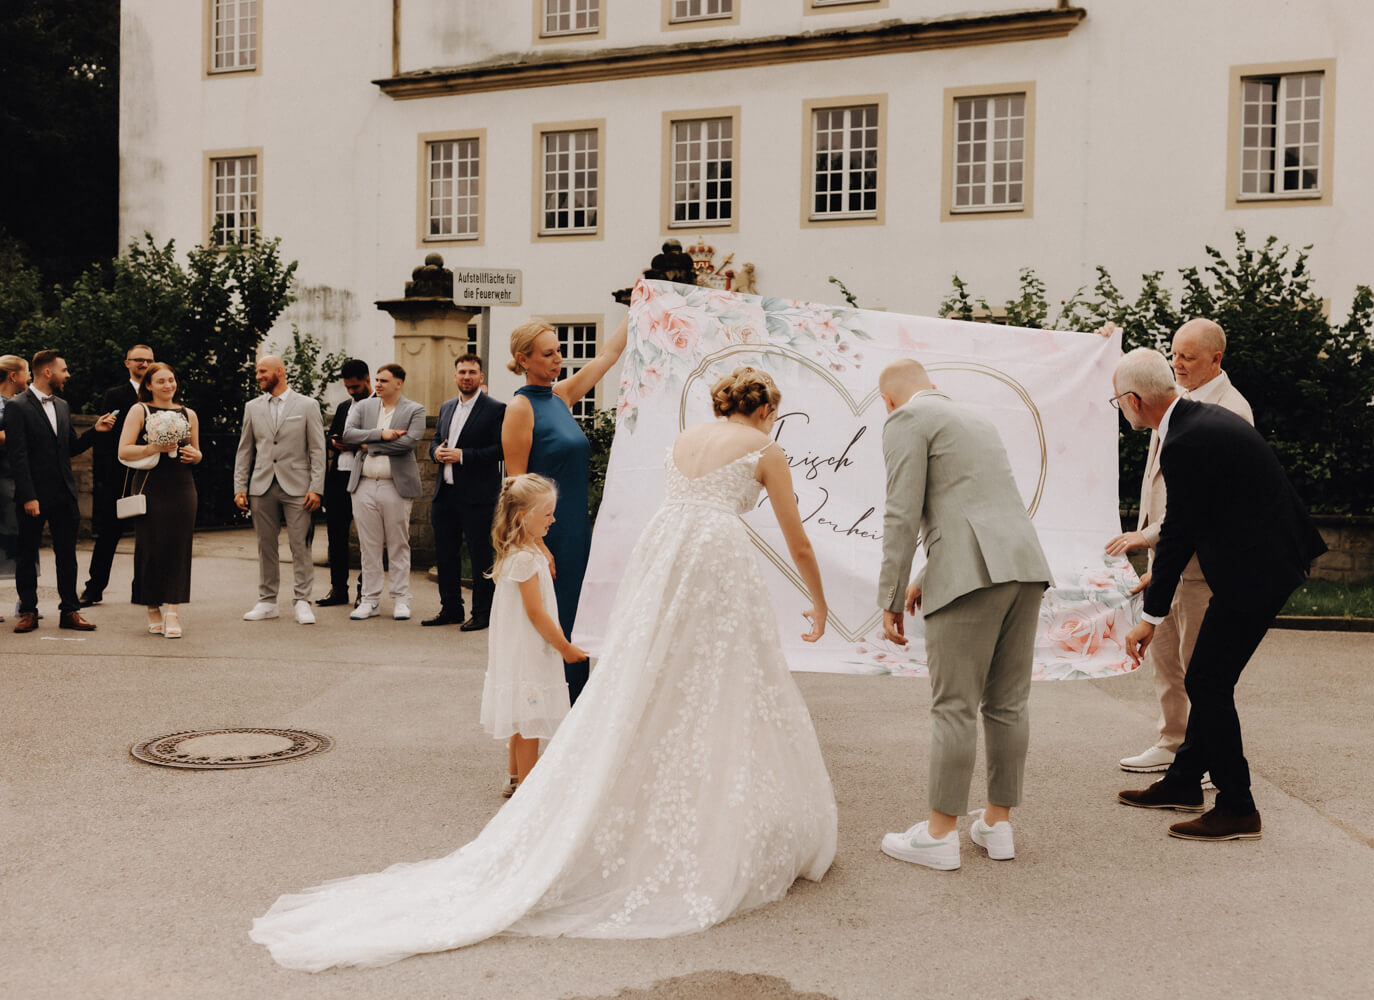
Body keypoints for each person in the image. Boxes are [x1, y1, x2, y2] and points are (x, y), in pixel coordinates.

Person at [250, 367, 835, 971]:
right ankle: (719, 815)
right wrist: (818, 600)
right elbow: (798, 542)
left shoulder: (684, 441)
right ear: (765, 409)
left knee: (653, 679)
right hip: (716, 561)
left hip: (666, 558)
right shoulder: (766, 448)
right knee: (726, 681)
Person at [1113, 348, 1325, 841]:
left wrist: (1150, 617)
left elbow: (1180, 531)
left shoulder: (1186, 440)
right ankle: (1185, 781)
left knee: (1207, 681)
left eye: (1118, 403)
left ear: (1133, 400)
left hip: (1258, 571)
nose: (1121, 411)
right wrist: (1155, 586)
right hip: (1258, 560)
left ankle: (1237, 807)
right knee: (1206, 677)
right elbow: (1200, 521)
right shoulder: (1195, 422)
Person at [874, 359, 1053, 870]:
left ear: (889, 400)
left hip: (971, 577)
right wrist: (924, 578)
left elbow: (901, 511)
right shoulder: (977, 420)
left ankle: (939, 836)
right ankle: (998, 826)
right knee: (1008, 705)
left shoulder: (906, 420)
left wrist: (889, 596)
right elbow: (977, 505)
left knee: (953, 706)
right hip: (1025, 566)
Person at [1105, 319, 1254, 776]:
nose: (1177, 363)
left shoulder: (1230, 412)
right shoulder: (1171, 401)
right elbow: (1139, 379)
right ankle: (1173, 742)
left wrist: (1148, 537)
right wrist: (1107, 345)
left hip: (1201, 562)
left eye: (1188, 356)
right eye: (1174, 354)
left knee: (1200, 667)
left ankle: (1205, 756)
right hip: (1167, 554)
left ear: (1216, 359)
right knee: (1165, 657)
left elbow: (1204, 506)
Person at [502, 318, 628, 701]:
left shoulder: (562, 396)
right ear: (524, 359)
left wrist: (639, 303)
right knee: (555, 623)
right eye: (548, 353)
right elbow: (515, 487)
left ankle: (577, 714)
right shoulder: (520, 409)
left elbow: (609, 353)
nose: (559, 359)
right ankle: (552, 711)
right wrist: (537, 546)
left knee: (579, 620)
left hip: (577, 531)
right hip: (546, 535)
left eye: (559, 351)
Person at [479, 474, 585, 792]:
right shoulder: (524, 558)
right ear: (525, 516)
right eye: (548, 514)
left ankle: (514, 776)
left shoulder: (524, 551)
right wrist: (564, 647)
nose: (553, 519)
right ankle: (528, 788)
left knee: (522, 714)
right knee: (529, 723)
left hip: (522, 649)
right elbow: (536, 613)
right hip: (528, 651)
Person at [6, 351, 115, 632]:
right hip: (33, 494)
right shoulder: (18, 406)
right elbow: (18, 455)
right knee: (27, 553)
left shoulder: (63, 406)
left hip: (64, 493)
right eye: (63, 370)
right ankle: (28, 611)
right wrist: (29, 495)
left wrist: (95, 430)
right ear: (47, 372)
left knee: (67, 554)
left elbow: (72, 448)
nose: (67, 375)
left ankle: (69, 611)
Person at [233, 355, 325, 625]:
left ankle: (302, 601)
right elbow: (244, 450)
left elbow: (318, 450)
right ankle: (267, 601)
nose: (258, 376)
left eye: (263, 371)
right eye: (258, 372)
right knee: (265, 546)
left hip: (298, 486)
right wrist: (240, 487)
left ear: (279, 372)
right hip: (261, 485)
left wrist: (316, 488)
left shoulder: (307, 405)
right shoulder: (252, 407)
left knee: (300, 545)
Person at [116, 363, 202, 637]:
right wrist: (155, 447)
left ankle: (173, 612)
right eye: (161, 381)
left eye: (171, 380)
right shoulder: (139, 410)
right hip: (151, 485)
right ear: (149, 385)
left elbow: (197, 451)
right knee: (151, 548)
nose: (168, 385)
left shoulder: (189, 413)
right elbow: (124, 450)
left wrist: (196, 456)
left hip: (181, 484)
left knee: (180, 547)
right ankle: (152, 606)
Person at [425, 353, 505, 631]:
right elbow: (435, 441)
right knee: (445, 554)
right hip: (444, 494)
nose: (467, 377)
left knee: (480, 554)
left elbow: (501, 450)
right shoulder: (447, 407)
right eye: (462, 372)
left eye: (472, 372)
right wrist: (436, 452)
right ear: (455, 375)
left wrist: (463, 455)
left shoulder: (496, 409)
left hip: (477, 496)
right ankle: (450, 609)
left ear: (481, 377)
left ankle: (483, 613)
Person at [343, 363, 426, 621]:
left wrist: (371, 446)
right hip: (364, 483)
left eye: (384, 380)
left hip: (395, 485)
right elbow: (348, 434)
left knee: (398, 543)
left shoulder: (414, 409)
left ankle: (401, 599)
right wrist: (381, 434)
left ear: (399, 383)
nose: (378, 384)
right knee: (369, 547)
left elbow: (409, 442)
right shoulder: (364, 406)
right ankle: (370, 600)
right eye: (377, 380)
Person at [81, 344, 155, 607]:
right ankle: (94, 588)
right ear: (128, 364)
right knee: (109, 533)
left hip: (152, 475)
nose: (144, 365)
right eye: (139, 360)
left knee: (149, 535)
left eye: (148, 361)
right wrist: (103, 477)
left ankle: (145, 588)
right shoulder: (114, 395)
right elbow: (106, 439)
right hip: (119, 475)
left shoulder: (160, 393)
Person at [315, 359, 370, 607]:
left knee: (368, 538)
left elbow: (379, 441)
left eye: (356, 386)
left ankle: (364, 589)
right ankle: (338, 588)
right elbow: (331, 435)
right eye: (348, 387)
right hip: (338, 477)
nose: (351, 391)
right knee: (336, 537)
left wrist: (356, 444)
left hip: (364, 477)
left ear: (367, 380)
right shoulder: (343, 407)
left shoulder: (377, 408)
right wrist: (335, 441)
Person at [0, 355, 31, 593]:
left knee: (20, 539)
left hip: (19, 476)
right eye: (26, 371)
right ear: (13, 376)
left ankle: (25, 599)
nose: (29, 376)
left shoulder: (24, 402)